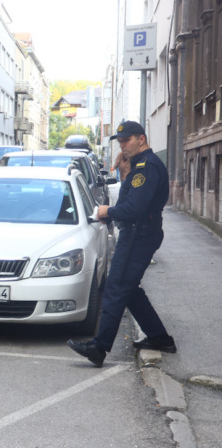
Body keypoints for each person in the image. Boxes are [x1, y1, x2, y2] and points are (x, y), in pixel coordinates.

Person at [67, 121, 175, 367]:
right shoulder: (140, 165)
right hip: (140, 233)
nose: (122, 145)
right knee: (128, 289)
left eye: (126, 140)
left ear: (142, 139)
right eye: (120, 141)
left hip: (139, 234)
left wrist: (108, 211)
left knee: (116, 288)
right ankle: (160, 338)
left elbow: (134, 208)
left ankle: (99, 347)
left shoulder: (147, 167)